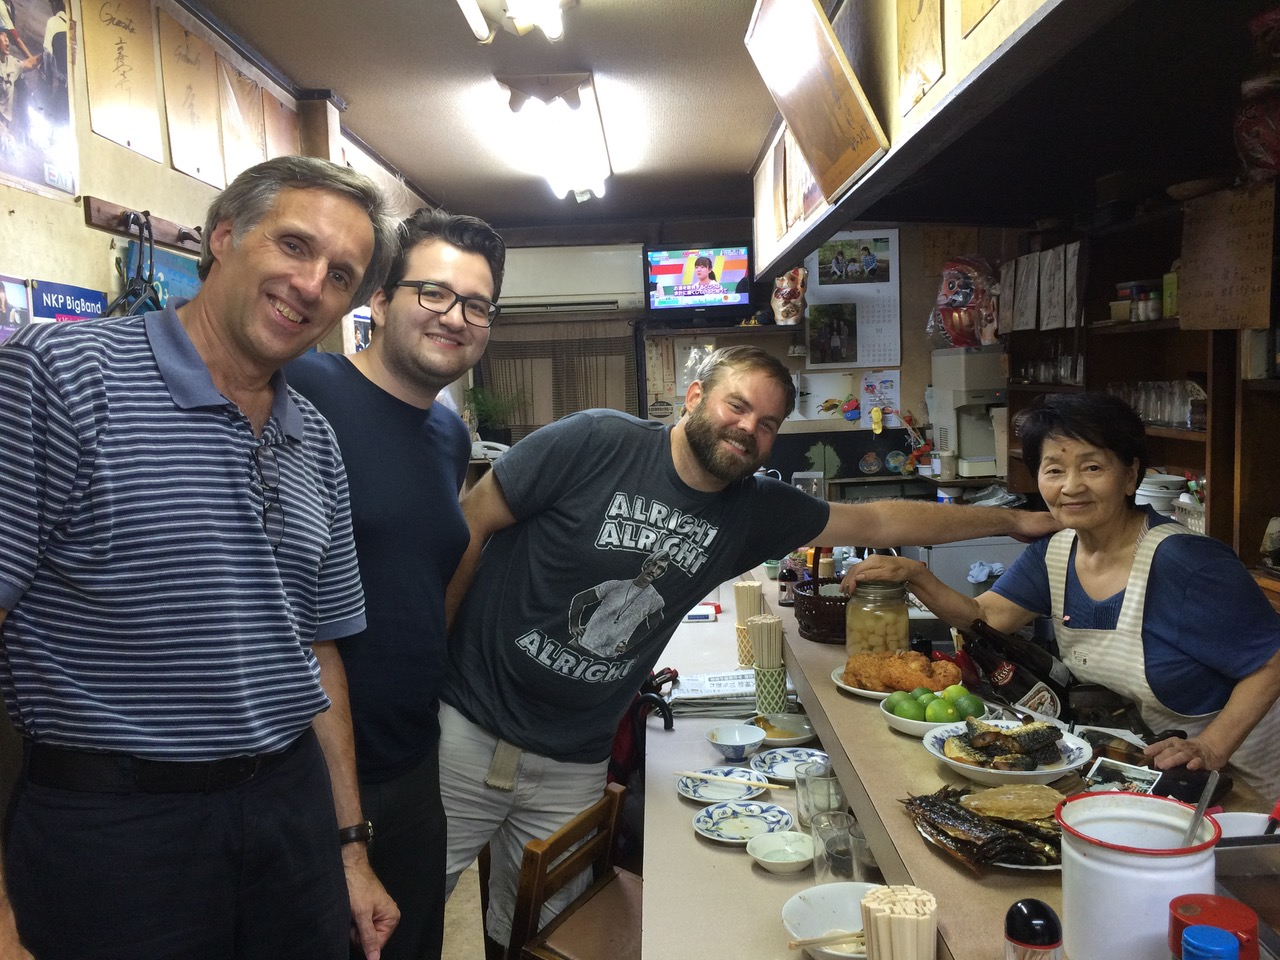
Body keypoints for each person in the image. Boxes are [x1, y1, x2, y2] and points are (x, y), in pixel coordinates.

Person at [439, 345, 1061, 947]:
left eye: (766, 425)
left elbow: (879, 520)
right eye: (735, 407)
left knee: (542, 928)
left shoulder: (752, 511)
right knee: (400, 908)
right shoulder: (596, 440)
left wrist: (1013, 519)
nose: (747, 429)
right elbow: (471, 520)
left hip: (574, 759)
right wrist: (428, 665)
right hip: (465, 724)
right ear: (693, 397)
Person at [0, 155, 402, 960]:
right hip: (116, 827)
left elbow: (318, 654)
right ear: (224, 235)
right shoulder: (61, 376)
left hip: (288, 816)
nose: (310, 283)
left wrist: (350, 847)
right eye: (293, 245)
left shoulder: (315, 440)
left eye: (341, 274)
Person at [845, 393, 1280, 798]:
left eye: (1092, 467)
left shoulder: (1184, 561)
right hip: (1169, 770)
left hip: (1248, 775)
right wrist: (916, 575)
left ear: (1130, 475)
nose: (1071, 486)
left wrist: (1212, 746)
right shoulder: (1057, 552)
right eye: (1054, 469)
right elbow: (984, 615)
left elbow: (1272, 661)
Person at [287, 207, 506, 960]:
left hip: (413, 764)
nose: (456, 317)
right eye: (433, 293)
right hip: (308, 771)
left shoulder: (449, 434)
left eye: (477, 304)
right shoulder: (303, 388)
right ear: (376, 301)